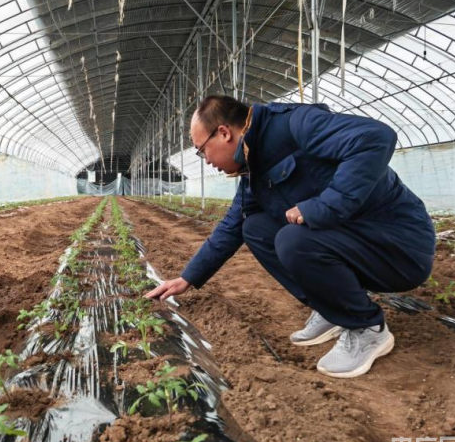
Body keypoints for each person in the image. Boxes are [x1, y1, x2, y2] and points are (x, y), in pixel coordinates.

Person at [147, 96, 435, 378]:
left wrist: (324, 207)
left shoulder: (295, 123)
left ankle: (367, 328)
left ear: (223, 133)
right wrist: (187, 278)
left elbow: (375, 138)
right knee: (255, 228)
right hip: (356, 242)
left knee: (293, 240)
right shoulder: (253, 169)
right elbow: (231, 227)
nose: (205, 161)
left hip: (398, 246)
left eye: (202, 150)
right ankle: (331, 307)